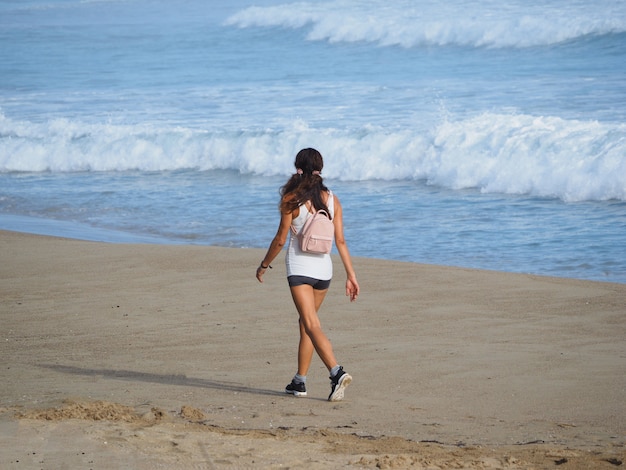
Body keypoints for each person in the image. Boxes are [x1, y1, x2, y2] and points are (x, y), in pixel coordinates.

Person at [256, 148, 360, 402]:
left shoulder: (292, 199)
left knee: (311, 324)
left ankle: (336, 372)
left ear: (297, 168)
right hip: (324, 271)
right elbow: (341, 241)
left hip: (300, 269)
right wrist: (351, 275)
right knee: (306, 324)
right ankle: (299, 381)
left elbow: (281, 240)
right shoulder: (333, 200)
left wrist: (264, 264)